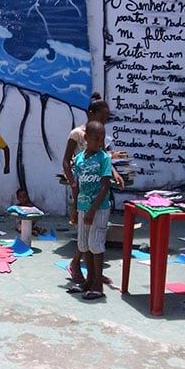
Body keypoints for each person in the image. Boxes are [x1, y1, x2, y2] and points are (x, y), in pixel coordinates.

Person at [62, 93, 124, 285]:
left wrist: (114, 172)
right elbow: (66, 161)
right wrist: (73, 183)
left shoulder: (99, 135)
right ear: (91, 114)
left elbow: (105, 156)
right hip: (82, 187)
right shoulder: (77, 134)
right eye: (102, 118)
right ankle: (84, 270)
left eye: (106, 119)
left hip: (95, 187)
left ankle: (92, 275)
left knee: (91, 236)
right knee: (85, 234)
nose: (104, 122)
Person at [73, 121, 112, 300]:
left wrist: (92, 210)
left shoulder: (104, 159)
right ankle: (88, 281)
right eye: (96, 139)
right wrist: (75, 209)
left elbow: (105, 187)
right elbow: (78, 184)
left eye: (102, 139)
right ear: (86, 138)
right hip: (83, 207)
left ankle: (98, 285)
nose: (99, 143)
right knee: (84, 244)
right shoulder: (80, 159)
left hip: (99, 208)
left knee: (96, 244)